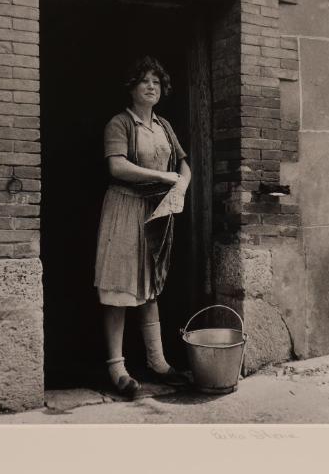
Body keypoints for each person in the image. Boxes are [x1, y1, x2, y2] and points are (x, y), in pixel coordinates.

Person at [94, 55, 191, 399]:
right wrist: (163, 177)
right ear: (131, 88)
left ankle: (158, 362)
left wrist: (180, 185)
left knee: (151, 286)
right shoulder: (119, 124)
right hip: (123, 208)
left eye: (157, 81)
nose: (151, 86)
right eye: (144, 81)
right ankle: (117, 369)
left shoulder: (164, 126)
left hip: (155, 212)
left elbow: (183, 164)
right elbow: (117, 168)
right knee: (118, 289)